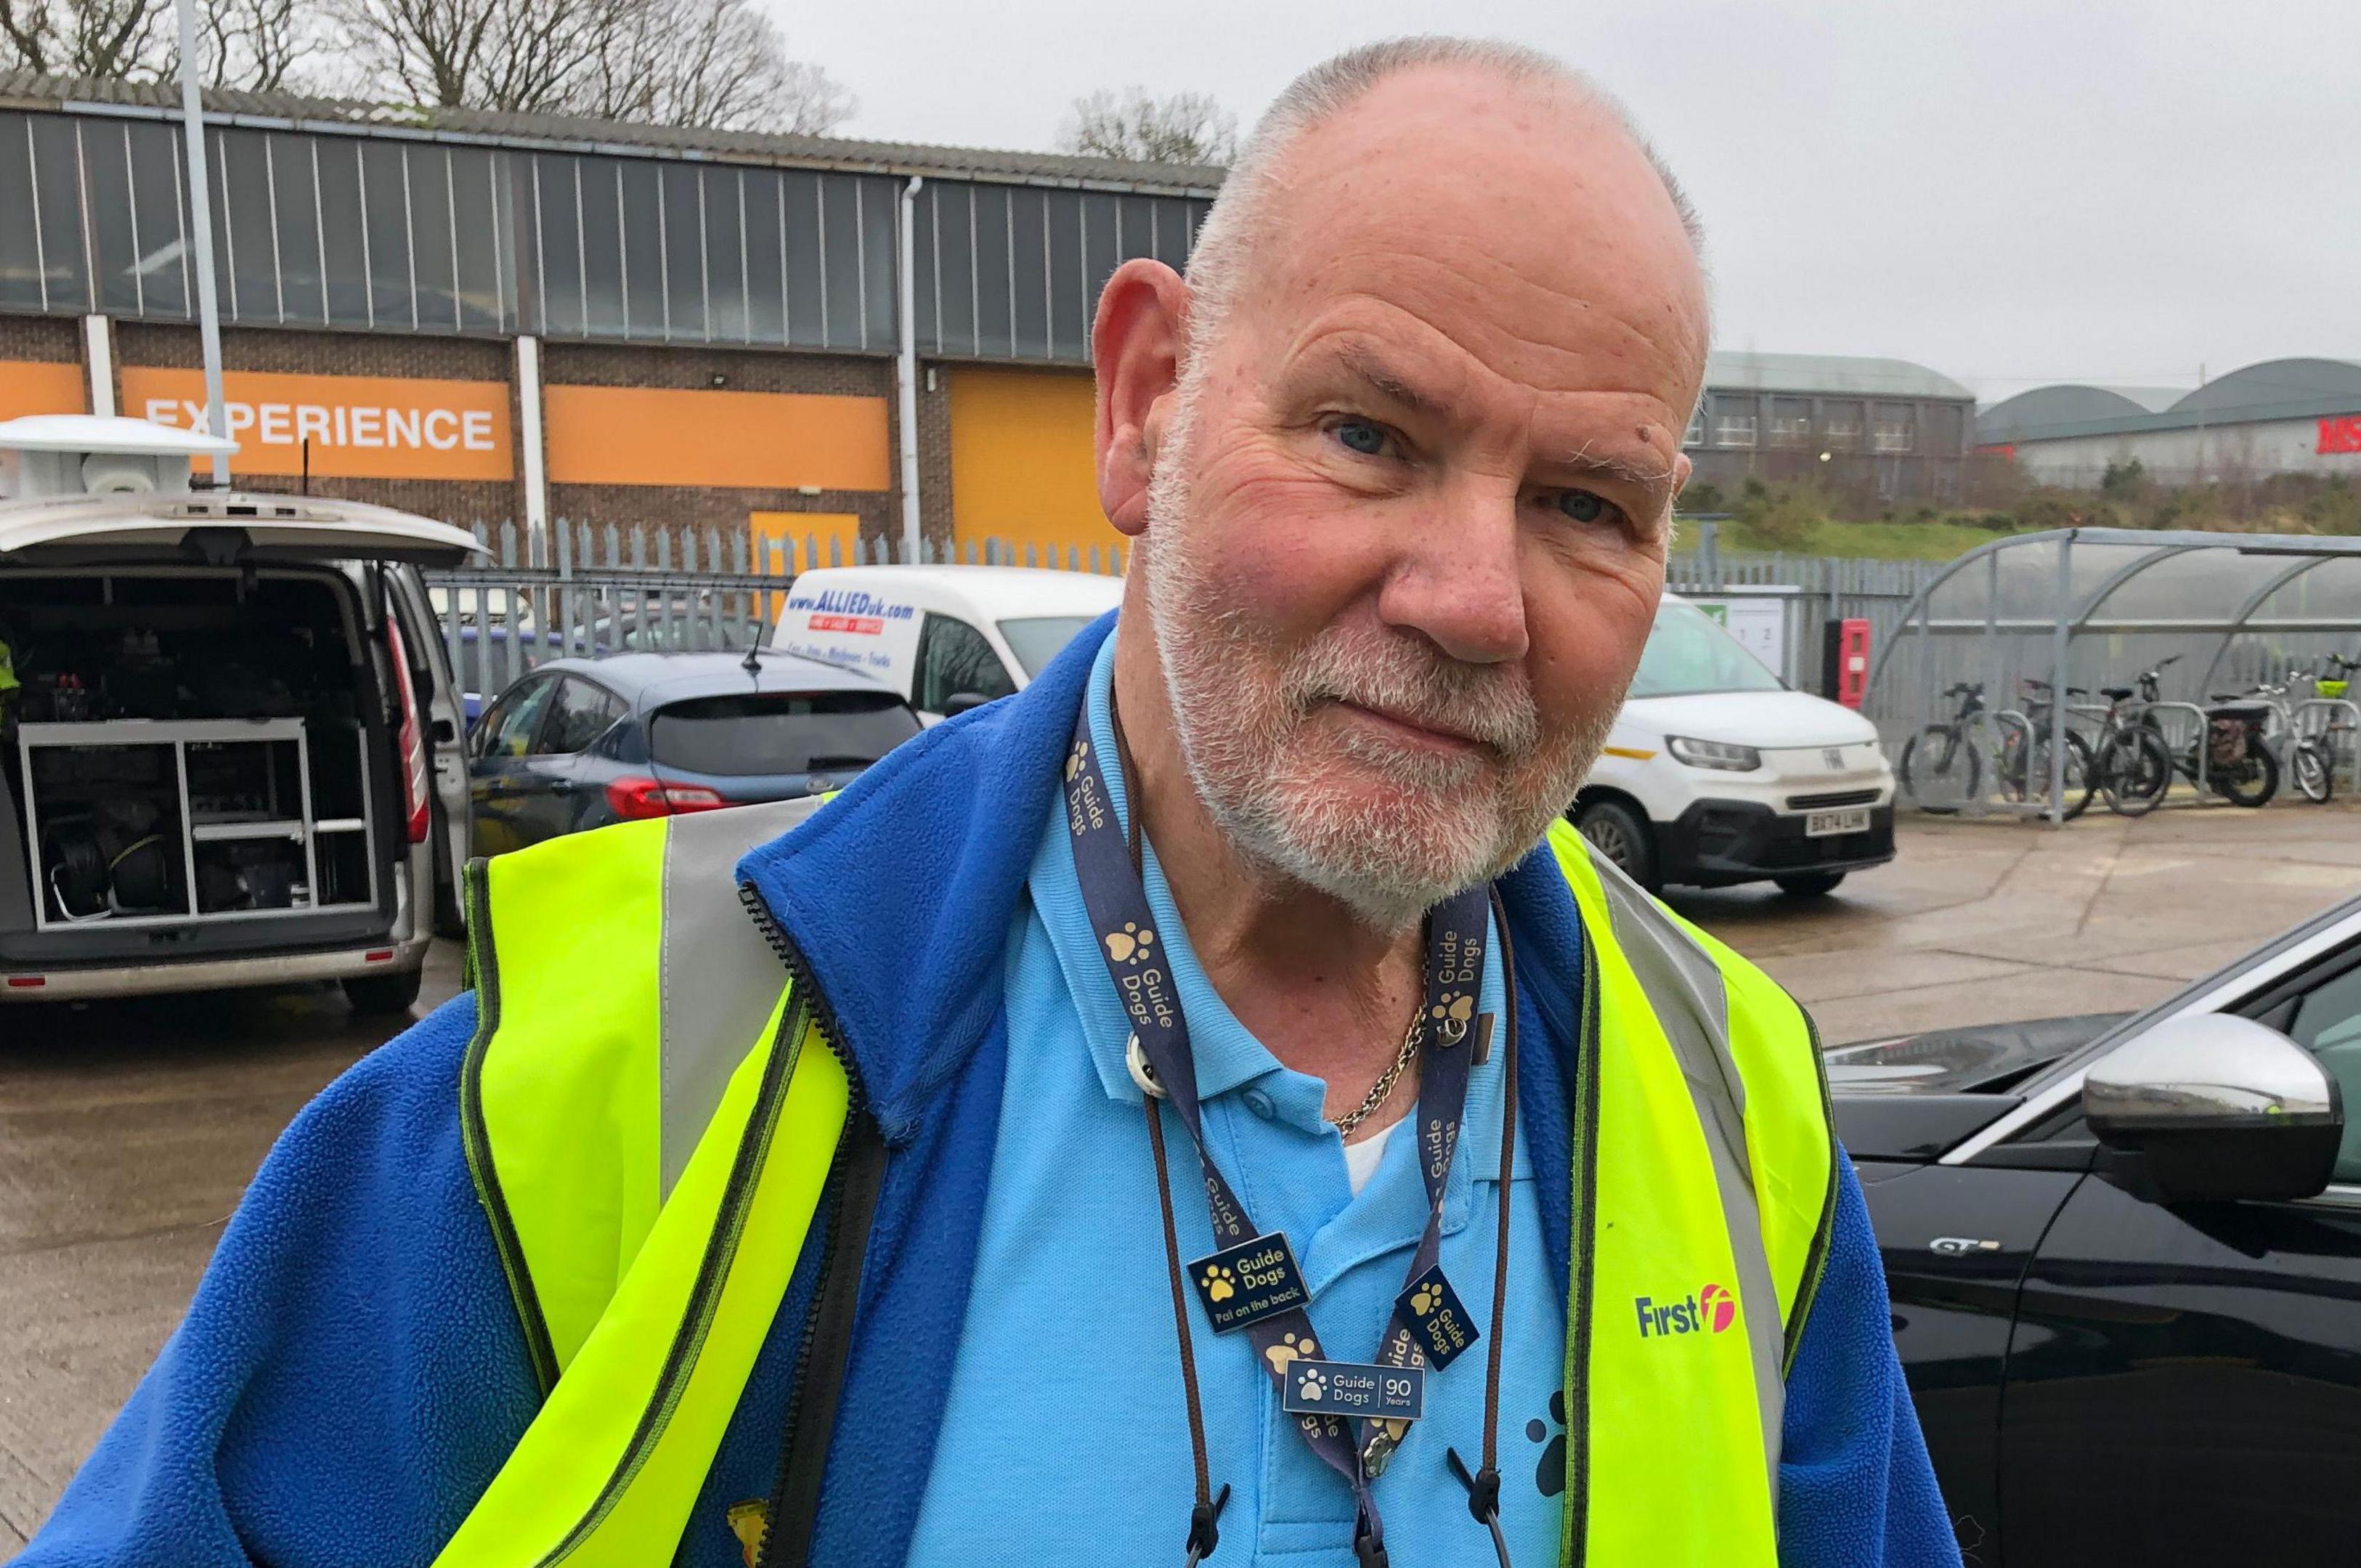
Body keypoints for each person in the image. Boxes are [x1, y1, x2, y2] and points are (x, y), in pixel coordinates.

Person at [13, 37, 1956, 1568]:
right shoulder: (646, 1066)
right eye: (1371, 435)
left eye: (1588, 506)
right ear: (1146, 402)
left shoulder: (1738, 1109)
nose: (1472, 598)